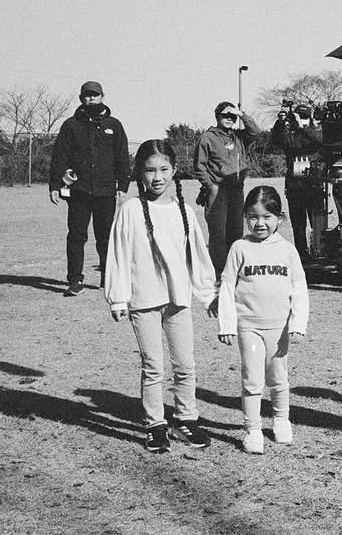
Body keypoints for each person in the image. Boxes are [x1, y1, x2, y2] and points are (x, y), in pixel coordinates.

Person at [104, 140, 216, 453]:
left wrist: (208, 294)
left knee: (185, 365)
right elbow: (119, 254)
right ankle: (155, 425)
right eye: (150, 170)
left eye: (164, 169)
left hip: (177, 301)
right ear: (139, 173)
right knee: (153, 366)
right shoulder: (130, 210)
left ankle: (186, 420)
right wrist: (118, 298)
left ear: (174, 170)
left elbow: (198, 256)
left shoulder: (184, 211)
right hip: (144, 301)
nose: (157, 177)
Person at [216, 186, 309, 455]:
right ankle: (253, 429)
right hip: (249, 328)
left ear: (279, 218)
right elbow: (227, 286)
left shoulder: (287, 250)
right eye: (253, 217)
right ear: (245, 217)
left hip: (279, 328)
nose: (260, 223)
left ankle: (281, 420)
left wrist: (298, 324)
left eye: (267, 217)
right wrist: (227, 324)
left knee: (278, 377)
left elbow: (299, 288)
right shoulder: (239, 248)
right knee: (252, 378)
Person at [49, 80, 131, 297]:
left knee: (105, 236)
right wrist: (55, 185)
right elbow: (59, 156)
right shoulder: (71, 125)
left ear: (102, 96)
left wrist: (123, 186)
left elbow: (122, 157)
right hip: (79, 191)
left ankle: (107, 276)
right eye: (87, 95)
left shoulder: (114, 125)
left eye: (95, 94)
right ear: (81, 98)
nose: (91, 98)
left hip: (105, 191)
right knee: (76, 235)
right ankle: (75, 280)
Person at [194, 101, 262, 276]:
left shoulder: (238, 137)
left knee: (236, 231)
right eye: (225, 115)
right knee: (218, 233)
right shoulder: (207, 138)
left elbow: (255, 132)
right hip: (218, 190)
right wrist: (210, 186)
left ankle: (234, 269)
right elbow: (199, 166)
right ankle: (218, 272)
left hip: (237, 190)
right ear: (217, 116)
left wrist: (241, 114)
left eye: (232, 116)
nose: (229, 119)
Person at [269, 103, 325, 262]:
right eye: (300, 116)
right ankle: (302, 256)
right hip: (295, 188)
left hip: (314, 186)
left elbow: (318, 141)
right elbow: (275, 141)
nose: (302, 120)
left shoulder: (316, 132)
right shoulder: (290, 135)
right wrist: (281, 122)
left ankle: (320, 252)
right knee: (298, 226)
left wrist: (302, 126)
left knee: (318, 224)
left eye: (305, 116)